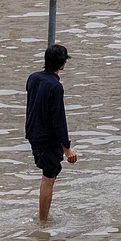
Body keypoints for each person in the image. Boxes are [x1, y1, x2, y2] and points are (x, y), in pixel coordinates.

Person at [25, 44, 77, 222]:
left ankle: (43, 216)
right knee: (49, 177)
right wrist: (66, 147)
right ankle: (43, 220)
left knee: (49, 173)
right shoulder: (55, 87)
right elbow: (58, 118)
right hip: (47, 137)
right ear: (62, 64)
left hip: (33, 132)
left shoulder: (33, 78)